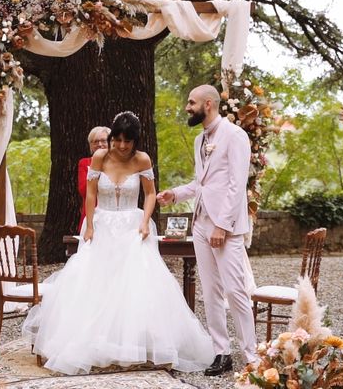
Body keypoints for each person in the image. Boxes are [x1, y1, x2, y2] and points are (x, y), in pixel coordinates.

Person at [22, 111, 214, 375]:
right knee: (94, 282)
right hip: (102, 224)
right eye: (118, 140)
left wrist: (145, 221)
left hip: (131, 226)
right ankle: (94, 343)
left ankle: (135, 345)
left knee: (134, 286)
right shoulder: (100, 157)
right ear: (112, 138)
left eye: (128, 141)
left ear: (135, 141)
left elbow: (149, 194)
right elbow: (90, 193)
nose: (122, 146)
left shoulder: (142, 159)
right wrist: (89, 225)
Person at [157, 85, 257, 376]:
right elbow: (203, 184)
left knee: (236, 291)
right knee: (210, 291)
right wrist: (175, 194)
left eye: (191, 102)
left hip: (224, 228)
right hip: (200, 224)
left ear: (208, 104)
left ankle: (251, 356)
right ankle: (221, 353)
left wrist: (222, 226)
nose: (187, 107)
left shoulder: (235, 136)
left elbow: (238, 185)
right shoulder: (201, 138)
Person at [76, 126, 110, 233]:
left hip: (112, 214)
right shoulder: (84, 163)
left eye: (103, 141)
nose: (99, 144)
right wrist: (96, 171)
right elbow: (83, 190)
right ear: (91, 145)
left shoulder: (119, 165)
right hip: (92, 215)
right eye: (95, 142)